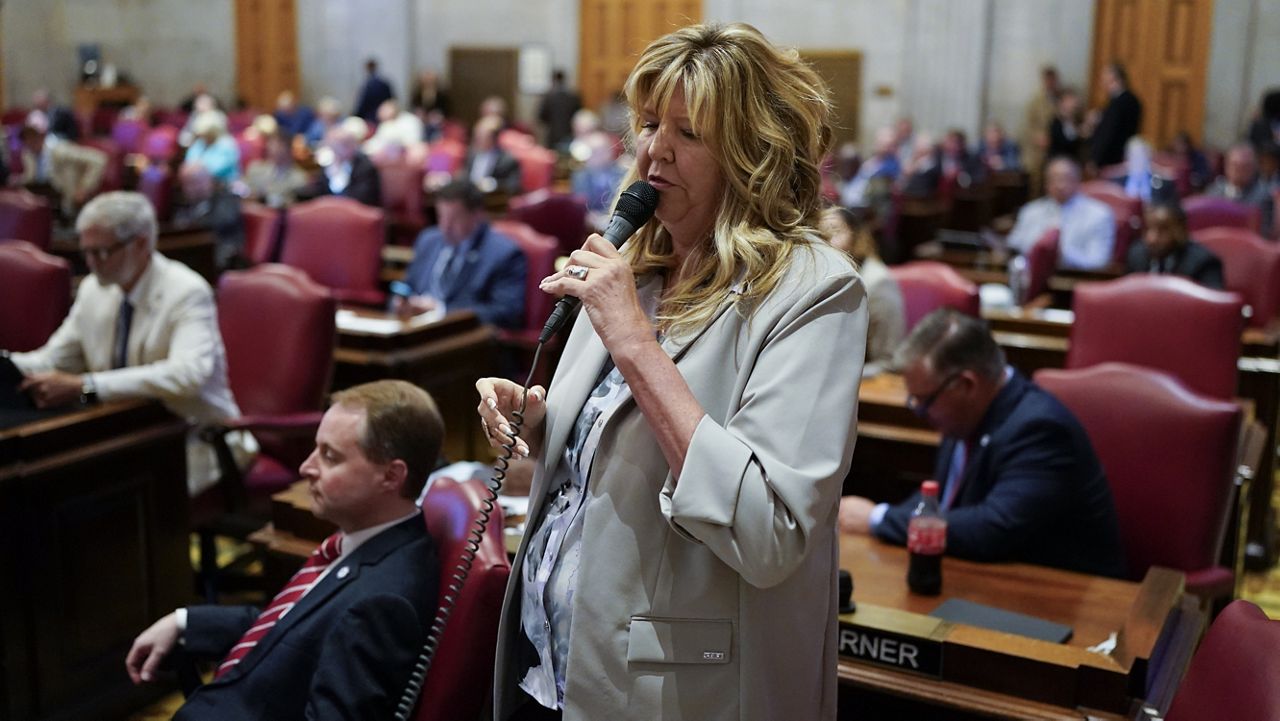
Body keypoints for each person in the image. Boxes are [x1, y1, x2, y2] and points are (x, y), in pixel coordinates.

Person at [477, 22, 866, 721]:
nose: (654, 150)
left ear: (752, 153)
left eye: (688, 133)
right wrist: (541, 425)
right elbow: (624, 444)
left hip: (672, 693)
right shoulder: (643, 269)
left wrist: (633, 341)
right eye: (651, 123)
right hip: (551, 661)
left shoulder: (813, 290)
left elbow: (769, 530)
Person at [125, 379, 443, 720]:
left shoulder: (382, 603)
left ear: (391, 476)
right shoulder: (361, 543)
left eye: (329, 456)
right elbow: (290, 629)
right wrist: (186, 622)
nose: (307, 467)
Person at [839, 310, 1125, 578]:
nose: (919, 412)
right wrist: (883, 518)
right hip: (985, 579)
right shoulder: (965, 416)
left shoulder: (1040, 429)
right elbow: (940, 500)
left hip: (1064, 597)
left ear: (966, 385)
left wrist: (880, 519)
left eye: (925, 402)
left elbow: (992, 528)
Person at [8, 192, 254, 496]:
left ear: (140, 244)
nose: (92, 264)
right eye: (86, 252)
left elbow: (188, 375)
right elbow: (53, 360)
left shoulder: (186, 292)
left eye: (101, 252)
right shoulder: (94, 290)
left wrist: (86, 385)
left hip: (197, 438)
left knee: (99, 496)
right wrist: (6, 363)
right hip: (126, 434)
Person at [398, 179, 526, 328]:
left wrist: (442, 312)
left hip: (461, 339)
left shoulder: (504, 253)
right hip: (413, 329)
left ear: (477, 215)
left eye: (454, 218)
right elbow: (407, 286)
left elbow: (507, 312)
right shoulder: (428, 240)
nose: (445, 226)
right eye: (441, 216)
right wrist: (401, 302)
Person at [820, 205, 905, 376]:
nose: (826, 241)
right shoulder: (820, 279)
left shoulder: (878, 282)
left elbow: (887, 362)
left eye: (834, 231)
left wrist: (838, 377)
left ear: (856, 236)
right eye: (819, 235)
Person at [1006, 156, 1116, 270]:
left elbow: (1099, 261)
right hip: (1029, 275)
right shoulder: (1030, 211)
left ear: (1078, 180)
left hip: (1075, 279)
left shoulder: (1099, 214)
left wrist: (1059, 253)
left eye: (1065, 178)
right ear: (1046, 184)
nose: (1060, 185)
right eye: (1054, 179)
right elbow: (1014, 246)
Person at [1126, 201, 1225, 289]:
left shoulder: (1204, 263)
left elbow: (1213, 307)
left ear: (1181, 231)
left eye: (1162, 230)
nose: (1152, 239)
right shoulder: (1136, 254)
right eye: (1147, 229)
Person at [297, 123, 382, 207]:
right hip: (330, 213)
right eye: (332, 146)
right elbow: (319, 193)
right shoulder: (328, 166)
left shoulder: (365, 166)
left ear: (353, 145)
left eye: (343, 144)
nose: (336, 150)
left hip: (356, 213)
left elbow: (363, 198)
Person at [1205, 144, 1275, 238]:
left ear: (1254, 168)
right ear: (1226, 166)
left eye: (1245, 166)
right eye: (1235, 165)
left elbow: (1265, 232)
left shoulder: (1264, 196)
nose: (1239, 170)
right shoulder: (1214, 191)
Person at [1087, 62, 1143, 171]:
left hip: (1113, 160)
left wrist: (1096, 158)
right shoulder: (1120, 101)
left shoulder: (1122, 102)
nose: (1102, 80)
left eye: (1104, 76)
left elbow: (1109, 133)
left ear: (1113, 77)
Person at [241, 130, 309, 207]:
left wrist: (265, 197)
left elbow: (291, 204)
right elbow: (242, 189)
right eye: (271, 144)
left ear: (288, 149)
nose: (272, 148)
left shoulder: (299, 178)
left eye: (278, 145)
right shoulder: (255, 169)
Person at [1021, 65, 1059, 195]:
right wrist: (1037, 137)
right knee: (1036, 184)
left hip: (1055, 148)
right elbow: (1028, 125)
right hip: (1038, 151)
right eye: (1047, 80)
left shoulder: (1060, 99)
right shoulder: (1035, 102)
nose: (1050, 83)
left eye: (1052, 80)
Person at [462, 115, 523, 195]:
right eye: (476, 136)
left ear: (494, 139)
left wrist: (492, 184)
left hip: (490, 198)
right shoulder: (471, 154)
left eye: (481, 137)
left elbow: (513, 187)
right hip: (468, 196)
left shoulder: (508, 160)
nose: (476, 140)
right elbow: (465, 176)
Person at [538, 69, 583, 153]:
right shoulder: (573, 96)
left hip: (553, 134)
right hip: (570, 133)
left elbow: (541, 116)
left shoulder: (548, 96)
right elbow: (579, 116)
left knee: (552, 158)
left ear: (553, 79)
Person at [354, 57, 395, 123]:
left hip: (370, 118)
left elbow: (363, 103)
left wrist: (356, 116)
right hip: (384, 117)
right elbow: (391, 100)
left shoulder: (368, 85)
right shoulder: (384, 83)